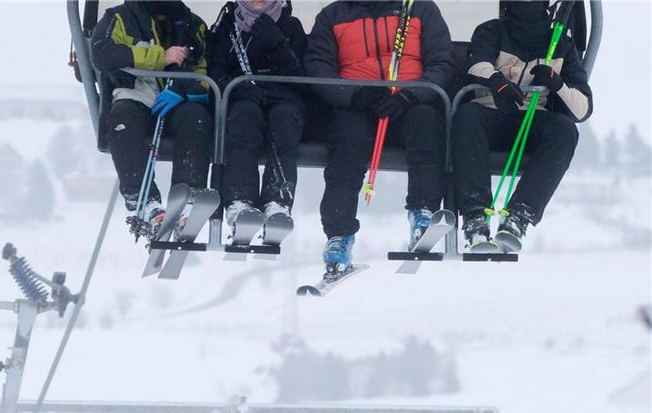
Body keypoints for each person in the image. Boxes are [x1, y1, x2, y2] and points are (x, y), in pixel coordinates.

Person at [304, 0, 454, 276]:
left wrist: (413, 94)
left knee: (426, 126)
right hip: (358, 104)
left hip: (408, 101)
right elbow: (318, 67)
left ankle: (423, 212)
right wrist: (353, 94)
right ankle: (339, 234)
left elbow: (442, 61)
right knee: (347, 144)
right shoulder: (333, 15)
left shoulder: (420, 8)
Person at [451, 0, 593, 253]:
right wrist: (496, 81)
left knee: (564, 130)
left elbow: (582, 109)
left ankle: (519, 216)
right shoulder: (492, 30)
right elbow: (476, 63)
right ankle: (475, 216)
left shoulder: (560, 43)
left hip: (532, 119)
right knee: (467, 116)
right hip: (491, 113)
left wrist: (557, 83)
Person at [91, 1, 212, 239]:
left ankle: (188, 196)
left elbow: (205, 72)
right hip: (136, 92)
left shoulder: (192, 24)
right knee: (122, 122)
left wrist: (184, 88)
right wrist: (159, 57)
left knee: (196, 118)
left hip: (178, 96)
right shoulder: (119, 18)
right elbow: (102, 53)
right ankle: (145, 201)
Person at [207, 0, 307, 246]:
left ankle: (278, 202)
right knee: (244, 119)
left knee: (284, 122)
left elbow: (300, 76)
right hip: (241, 95)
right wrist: (239, 89)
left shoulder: (290, 26)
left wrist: (279, 45)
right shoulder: (227, 26)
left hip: (282, 96)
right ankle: (240, 201)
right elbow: (214, 68)